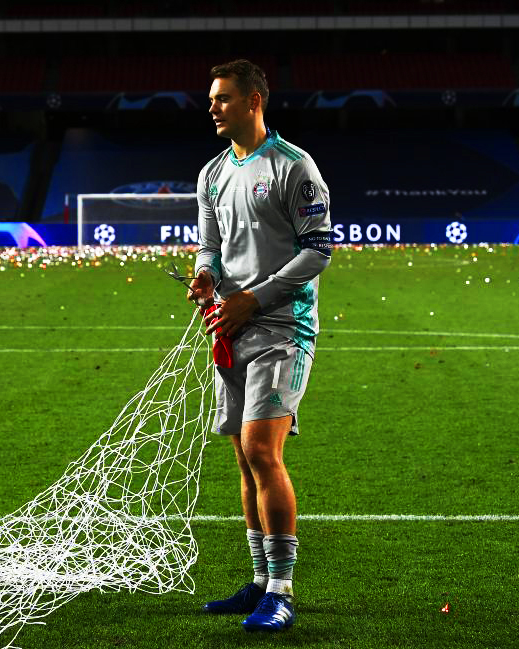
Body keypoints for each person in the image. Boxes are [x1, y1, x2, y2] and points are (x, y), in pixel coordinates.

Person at [187, 59, 332, 632]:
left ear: (253, 101)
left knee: (264, 452)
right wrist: (205, 277)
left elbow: (318, 249)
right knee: (245, 461)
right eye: (211, 98)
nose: (212, 106)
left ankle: (282, 590)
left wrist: (257, 296)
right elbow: (210, 246)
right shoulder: (211, 173)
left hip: (282, 328)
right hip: (232, 327)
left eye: (222, 98)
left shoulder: (296, 167)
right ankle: (257, 580)